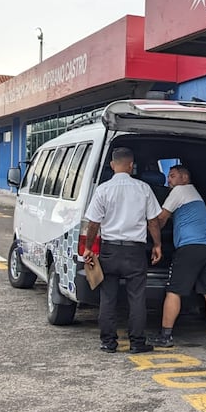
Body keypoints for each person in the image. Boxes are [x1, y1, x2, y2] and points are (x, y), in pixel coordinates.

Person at [83, 147, 162, 354]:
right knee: (136, 297)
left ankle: (108, 342)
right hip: (134, 251)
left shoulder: (103, 190)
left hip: (109, 250)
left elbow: (93, 223)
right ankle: (137, 343)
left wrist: (89, 248)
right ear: (130, 165)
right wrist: (157, 245)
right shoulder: (143, 188)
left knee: (107, 297)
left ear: (112, 165)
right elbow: (153, 221)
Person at [149, 165, 206, 350]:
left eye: (172, 176)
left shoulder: (179, 191)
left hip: (189, 249)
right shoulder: (195, 194)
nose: (169, 180)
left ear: (184, 178)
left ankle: (165, 336)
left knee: (174, 291)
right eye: (168, 177)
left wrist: (152, 235)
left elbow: (160, 218)